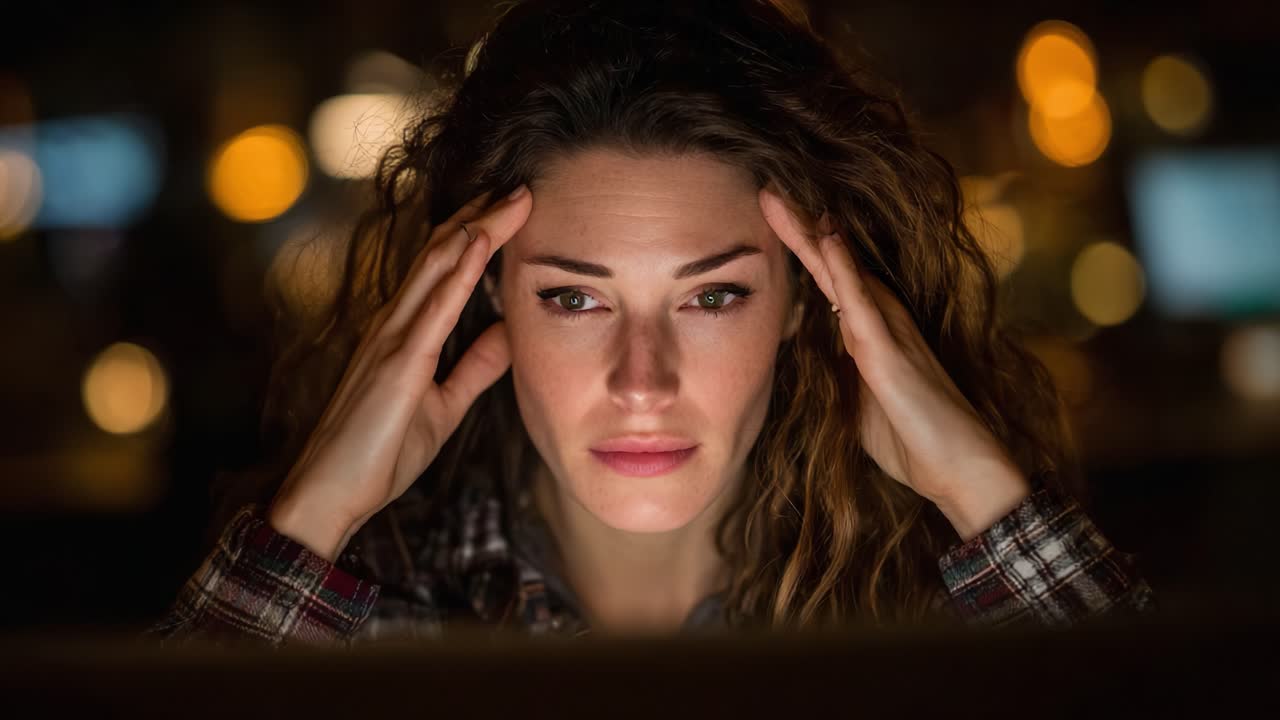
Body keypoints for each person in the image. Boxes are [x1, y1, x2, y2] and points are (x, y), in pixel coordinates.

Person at [145, 0, 1155, 647]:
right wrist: (315, 517)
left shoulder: (929, 617)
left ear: (807, 298)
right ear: (485, 291)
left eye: (710, 295)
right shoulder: (369, 614)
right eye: (574, 297)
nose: (642, 379)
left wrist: (977, 493)